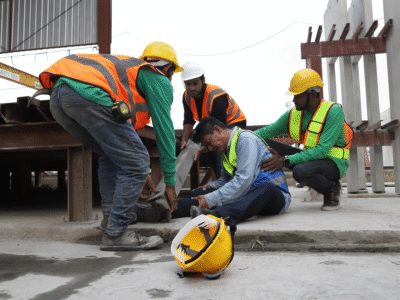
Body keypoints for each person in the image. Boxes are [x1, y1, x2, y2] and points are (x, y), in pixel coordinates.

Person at [40, 41, 182, 251]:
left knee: (110, 156)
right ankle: (116, 234)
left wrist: (141, 173)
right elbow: (165, 130)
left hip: (59, 98)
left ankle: (110, 223)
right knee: (137, 161)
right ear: (168, 69)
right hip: (87, 95)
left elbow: (123, 148)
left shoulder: (129, 76)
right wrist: (170, 182)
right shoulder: (157, 78)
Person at [256, 68, 353, 211]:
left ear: (312, 94)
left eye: (297, 96)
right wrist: (239, 138)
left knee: (300, 172)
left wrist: (285, 160)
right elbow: (266, 132)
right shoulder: (294, 114)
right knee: (263, 143)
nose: (293, 100)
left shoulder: (333, 112)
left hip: (333, 162)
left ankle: (331, 189)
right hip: (312, 158)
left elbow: (323, 150)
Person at [171, 117, 291, 226]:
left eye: (208, 143)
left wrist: (211, 199)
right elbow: (225, 180)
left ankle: (217, 215)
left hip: (275, 196)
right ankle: (170, 210)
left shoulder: (246, 140)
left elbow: (244, 180)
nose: (210, 149)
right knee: (201, 192)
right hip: (247, 193)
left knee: (267, 188)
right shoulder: (226, 148)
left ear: (218, 130)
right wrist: (211, 186)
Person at [179, 62, 246, 178]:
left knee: (219, 151)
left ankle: (231, 183)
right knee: (211, 155)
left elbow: (219, 129)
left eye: (195, 83)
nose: (192, 88)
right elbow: (188, 120)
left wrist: (201, 148)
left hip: (233, 123)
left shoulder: (216, 95)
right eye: (188, 84)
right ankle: (222, 182)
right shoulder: (186, 97)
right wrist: (184, 139)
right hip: (212, 127)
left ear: (203, 80)